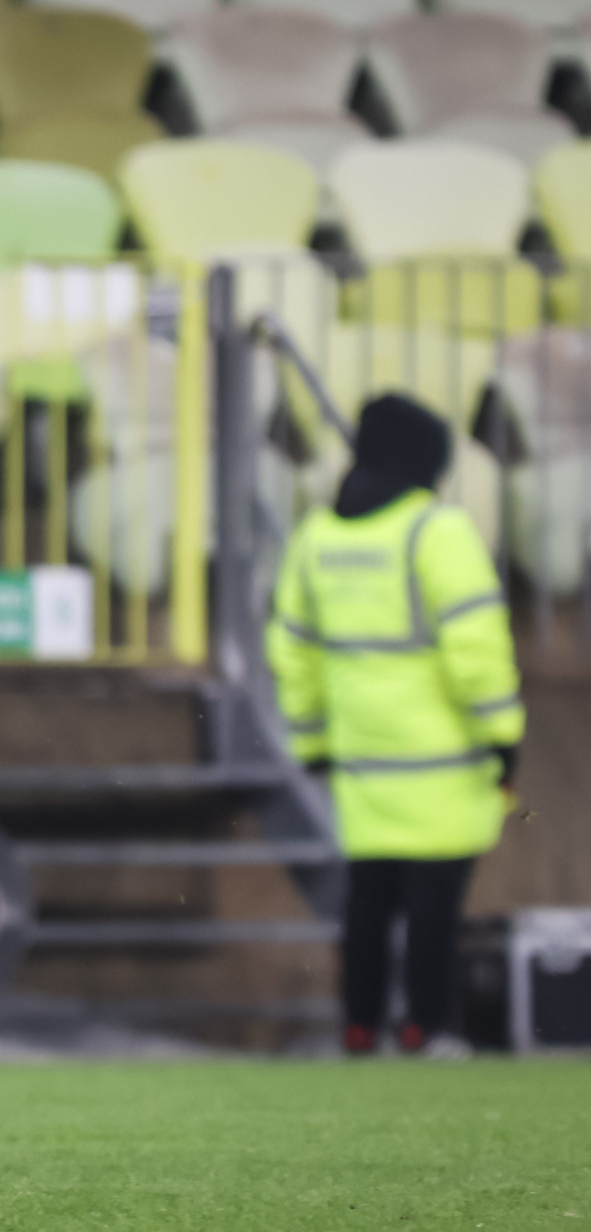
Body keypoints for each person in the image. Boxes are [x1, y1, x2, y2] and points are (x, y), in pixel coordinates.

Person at [265, 393, 524, 1057]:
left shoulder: (317, 537)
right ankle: (423, 1028)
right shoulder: (436, 531)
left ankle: (358, 1026)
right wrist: (502, 732)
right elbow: (475, 647)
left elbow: (292, 651)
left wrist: (311, 739)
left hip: (360, 761)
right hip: (444, 763)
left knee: (366, 903)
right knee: (435, 909)